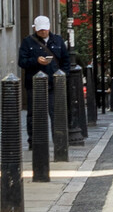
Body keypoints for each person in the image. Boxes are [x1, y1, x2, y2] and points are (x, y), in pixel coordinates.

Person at [18, 16, 72, 147]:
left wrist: (63, 76)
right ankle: (34, 142)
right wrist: (35, 60)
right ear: (35, 29)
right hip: (34, 84)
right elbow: (22, 62)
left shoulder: (58, 41)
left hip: (54, 84)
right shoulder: (28, 42)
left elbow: (66, 61)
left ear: (49, 28)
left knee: (56, 113)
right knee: (33, 114)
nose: (43, 32)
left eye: (45, 29)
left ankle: (59, 141)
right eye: (40, 30)